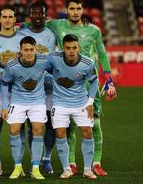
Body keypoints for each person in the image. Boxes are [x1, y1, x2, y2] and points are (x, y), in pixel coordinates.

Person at [46, 0, 117, 176]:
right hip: (67, 85)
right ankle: (71, 163)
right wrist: (13, 28)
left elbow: (101, 53)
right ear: (66, 10)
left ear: (82, 10)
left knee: (95, 125)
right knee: (68, 126)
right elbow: (35, 24)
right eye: (72, 9)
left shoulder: (93, 30)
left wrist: (109, 80)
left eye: (78, 9)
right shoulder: (57, 25)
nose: (75, 12)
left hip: (90, 82)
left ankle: (96, 163)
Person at [43, 34, 98, 179]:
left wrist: (90, 102)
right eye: (68, 48)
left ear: (78, 47)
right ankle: (66, 169)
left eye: (74, 47)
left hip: (80, 102)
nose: (72, 51)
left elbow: (94, 81)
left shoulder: (87, 63)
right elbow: (39, 63)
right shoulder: (53, 57)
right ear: (63, 48)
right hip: (60, 103)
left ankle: (87, 169)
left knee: (87, 132)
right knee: (60, 134)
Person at [0, 4, 25, 175]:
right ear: (0, 19)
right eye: (4, 16)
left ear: (15, 19)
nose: (7, 20)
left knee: (19, 127)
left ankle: (19, 164)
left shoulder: (23, 38)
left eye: (11, 17)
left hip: (18, 89)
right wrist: (1, 71)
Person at [17, 1, 56, 174]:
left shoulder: (52, 32)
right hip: (27, 86)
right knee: (29, 125)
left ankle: (46, 159)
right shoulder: (21, 32)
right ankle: (34, 161)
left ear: (46, 15)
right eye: (35, 13)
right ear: (30, 15)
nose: (38, 16)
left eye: (41, 13)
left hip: (48, 86)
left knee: (49, 125)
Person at [1, 36, 47, 180]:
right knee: (14, 131)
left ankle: (35, 168)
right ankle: (17, 166)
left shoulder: (44, 61)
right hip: (18, 101)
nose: (29, 53)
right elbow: (4, 83)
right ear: (20, 50)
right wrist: (4, 106)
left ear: (36, 49)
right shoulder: (11, 65)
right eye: (25, 50)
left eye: (31, 49)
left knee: (38, 131)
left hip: (38, 101)